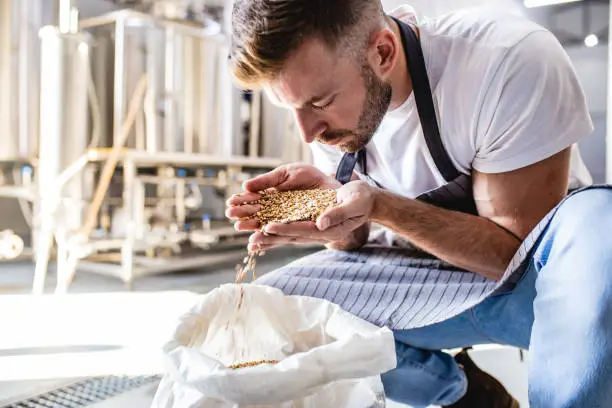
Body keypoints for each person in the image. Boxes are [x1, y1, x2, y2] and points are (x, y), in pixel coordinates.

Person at [225, 1, 612, 407]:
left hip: (539, 288)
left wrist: (381, 206)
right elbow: (356, 239)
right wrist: (330, 210)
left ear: (383, 52)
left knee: (599, 220)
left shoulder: (505, 59)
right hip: (432, 279)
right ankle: (469, 398)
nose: (307, 133)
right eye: (293, 109)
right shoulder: (334, 117)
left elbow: (512, 257)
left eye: (319, 102)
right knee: (272, 308)